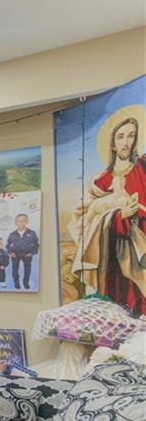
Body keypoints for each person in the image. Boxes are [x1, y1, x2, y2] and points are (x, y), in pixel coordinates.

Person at [70, 117, 146, 315]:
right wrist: (118, 217)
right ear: (112, 144)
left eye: (131, 136)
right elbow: (85, 220)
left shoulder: (143, 167)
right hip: (111, 259)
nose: (126, 142)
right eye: (120, 137)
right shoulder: (101, 182)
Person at [7, 213, 39, 290]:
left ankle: (26, 282)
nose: (21, 223)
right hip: (15, 254)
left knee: (27, 269)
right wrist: (11, 252)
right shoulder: (12, 234)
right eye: (18, 221)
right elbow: (8, 245)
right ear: (15, 222)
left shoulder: (32, 233)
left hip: (27, 254)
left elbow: (36, 244)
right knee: (15, 269)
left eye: (23, 221)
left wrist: (31, 253)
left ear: (27, 221)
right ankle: (16, 282)